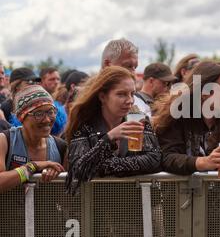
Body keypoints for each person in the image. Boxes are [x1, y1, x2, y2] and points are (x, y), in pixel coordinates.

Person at [65, 66, 162, 195]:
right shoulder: (85, 125)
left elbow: (154, 160)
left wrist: (103, 166)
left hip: (133, 206)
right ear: (102, 96)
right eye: (121, 94)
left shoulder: (139, 120)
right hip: (93, 207)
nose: (130, 100)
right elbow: (78, 168)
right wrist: (108, 138)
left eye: (132, 94)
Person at [0, 85, 66, 193]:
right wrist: (32, 167)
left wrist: (56, 173)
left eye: (50, 112)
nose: (47, 120)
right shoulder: (5, 141)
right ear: (22, 117)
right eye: (38, 114)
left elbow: (67, 197)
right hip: (9, 209)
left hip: (46, 210)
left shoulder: (61, 147)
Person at [101, 38, 151, 116]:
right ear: (108, 64)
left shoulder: (141, 104)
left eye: (135, 67)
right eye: (128, 66)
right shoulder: (86, 104)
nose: (133, 74)